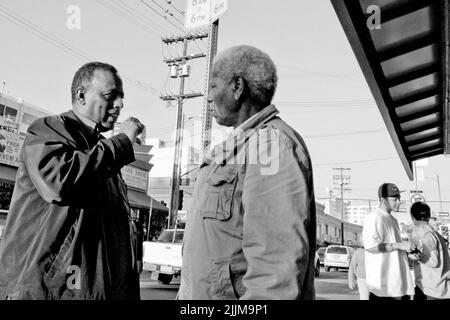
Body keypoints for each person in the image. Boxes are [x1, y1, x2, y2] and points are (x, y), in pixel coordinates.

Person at [178, 45, 316, 300]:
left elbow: (274, 275)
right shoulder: (242, 145)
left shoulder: (270, 146)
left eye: (213, 86)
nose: (207, 97)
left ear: (237, 86)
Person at [0, 62, 144, 300]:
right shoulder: (48, 129)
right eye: (110, 96)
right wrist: (122, 143)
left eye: (121, 98)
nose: (119, 105)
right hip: (47, 291)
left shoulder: (103, 154)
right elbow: (58, 182)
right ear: (81, 95)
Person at [362, 183, 415, 300]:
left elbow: (395, 250)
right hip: (384, 289)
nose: (398, 202)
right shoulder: (375, 217)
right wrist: (399, 245)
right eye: (394, 199)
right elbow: (371, 247)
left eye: (399, 199)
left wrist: (408, 252)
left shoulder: (393, 220)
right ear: (383, 200)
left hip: (399, 286)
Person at [409, 201, 450, 300]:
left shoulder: (425, 235)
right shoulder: (434, 233)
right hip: (439, 289)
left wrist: (416, 256)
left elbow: (433, 261)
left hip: (430, 291)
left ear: (413, 218)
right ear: (429, 215)